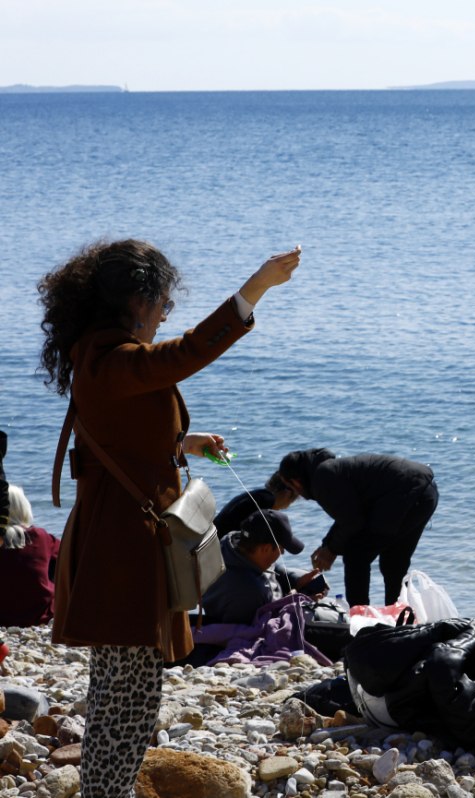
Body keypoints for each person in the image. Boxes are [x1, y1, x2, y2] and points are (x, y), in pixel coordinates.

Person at [40, 239, 300, 797]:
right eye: (162, 303)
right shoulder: (114, 359)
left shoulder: (101, 356)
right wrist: (255, 289)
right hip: (123, 552)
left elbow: (120, 439)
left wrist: (183, 444)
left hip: (121, 542)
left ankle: (105, 792)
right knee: (128, 701)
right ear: (136, 301)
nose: (164, 315)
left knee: (120, 693)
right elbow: (184, 354)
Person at [277, 448, 439, 607]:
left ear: (295, 481)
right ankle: (400, 616)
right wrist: (327, 545)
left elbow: (353, 521)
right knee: (394, 562)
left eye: (289, 487)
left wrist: (331, 550)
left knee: (356, 555)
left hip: (405, 492)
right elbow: (348, 515)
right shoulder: (329, 470)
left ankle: (360, 616)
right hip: (426, 491)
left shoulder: (322, 478)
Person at [202, 509, 326, 625]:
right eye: (281, 548)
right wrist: (295, 604)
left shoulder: (232, 547)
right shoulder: (249, 591)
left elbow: (271, 569)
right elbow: (264, 631)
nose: (282, 553)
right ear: (265, 549)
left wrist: (295, 582)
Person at [0, 484, 60, 627]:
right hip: (38, 615)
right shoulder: (39, 536)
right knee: (52, 561)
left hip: (1, 615)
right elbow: (66, 555)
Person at [214, 471, 299, 537]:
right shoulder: (266, 501)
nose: (286, 507)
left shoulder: (259, 495)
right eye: (292, 500)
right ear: (287, 492)